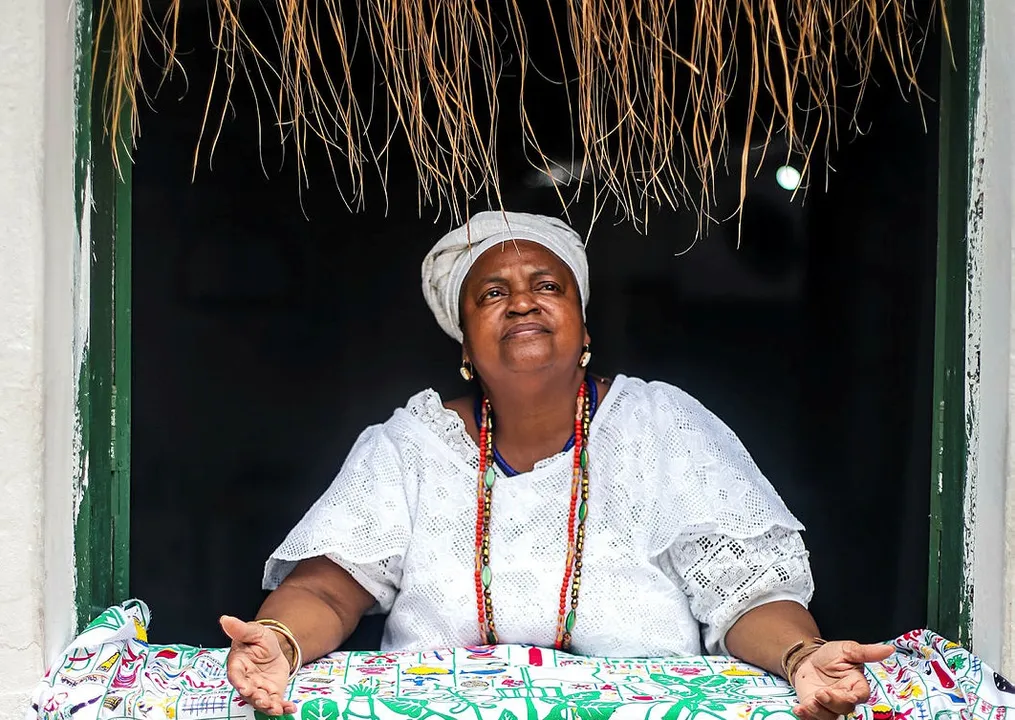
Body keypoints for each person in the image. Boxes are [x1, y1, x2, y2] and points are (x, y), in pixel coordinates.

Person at [219, 211, 892, 720]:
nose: (520, 302)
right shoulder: (411, 446)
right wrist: (278, 641)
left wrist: (802, 657)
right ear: (464, 342)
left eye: (546, 285)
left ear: (584, 326)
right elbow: (326, 591)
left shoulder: (662, 426)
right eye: (490, 293)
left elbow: (745, 594)